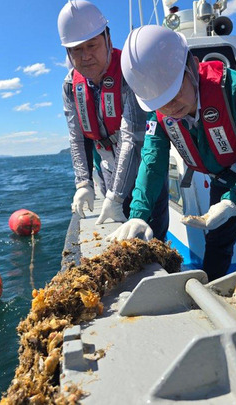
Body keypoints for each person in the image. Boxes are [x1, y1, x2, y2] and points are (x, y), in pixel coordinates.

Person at [108, 25, 236, 281]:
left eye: (174, 91)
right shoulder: (159, 112)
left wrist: (232, 201)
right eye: (160, 101)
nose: (170, 106)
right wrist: (138, 216)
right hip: (220, 175)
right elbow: (152, 162)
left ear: (191, 65)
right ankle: (211, 285)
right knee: (216, 240)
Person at [57, 0, 168, 241]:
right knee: (116, 237)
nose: (85, 56)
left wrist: (116, 197)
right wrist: (83, 184)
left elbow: (132, 138)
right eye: (76, 49)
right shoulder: (69, 86)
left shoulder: (130, 72)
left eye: (92, 45)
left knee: (153, 237)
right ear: (68, 53)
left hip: (142, 170)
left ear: (108, 39)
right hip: (107, 169)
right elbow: (76, 137)